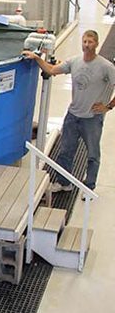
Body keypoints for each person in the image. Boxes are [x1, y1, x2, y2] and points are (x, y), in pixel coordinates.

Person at [23, 30, 115, 192]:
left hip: (92, 118)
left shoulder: (106, 67)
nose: (87, 45)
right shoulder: (75, 62)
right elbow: (52, 70)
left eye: (90, 42)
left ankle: (89, 186)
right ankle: (64, 182)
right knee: (65, 151)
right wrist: (37, 58)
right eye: (85, 42)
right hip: (73, 116)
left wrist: (108, 106)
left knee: (93, 154)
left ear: (97, 44)